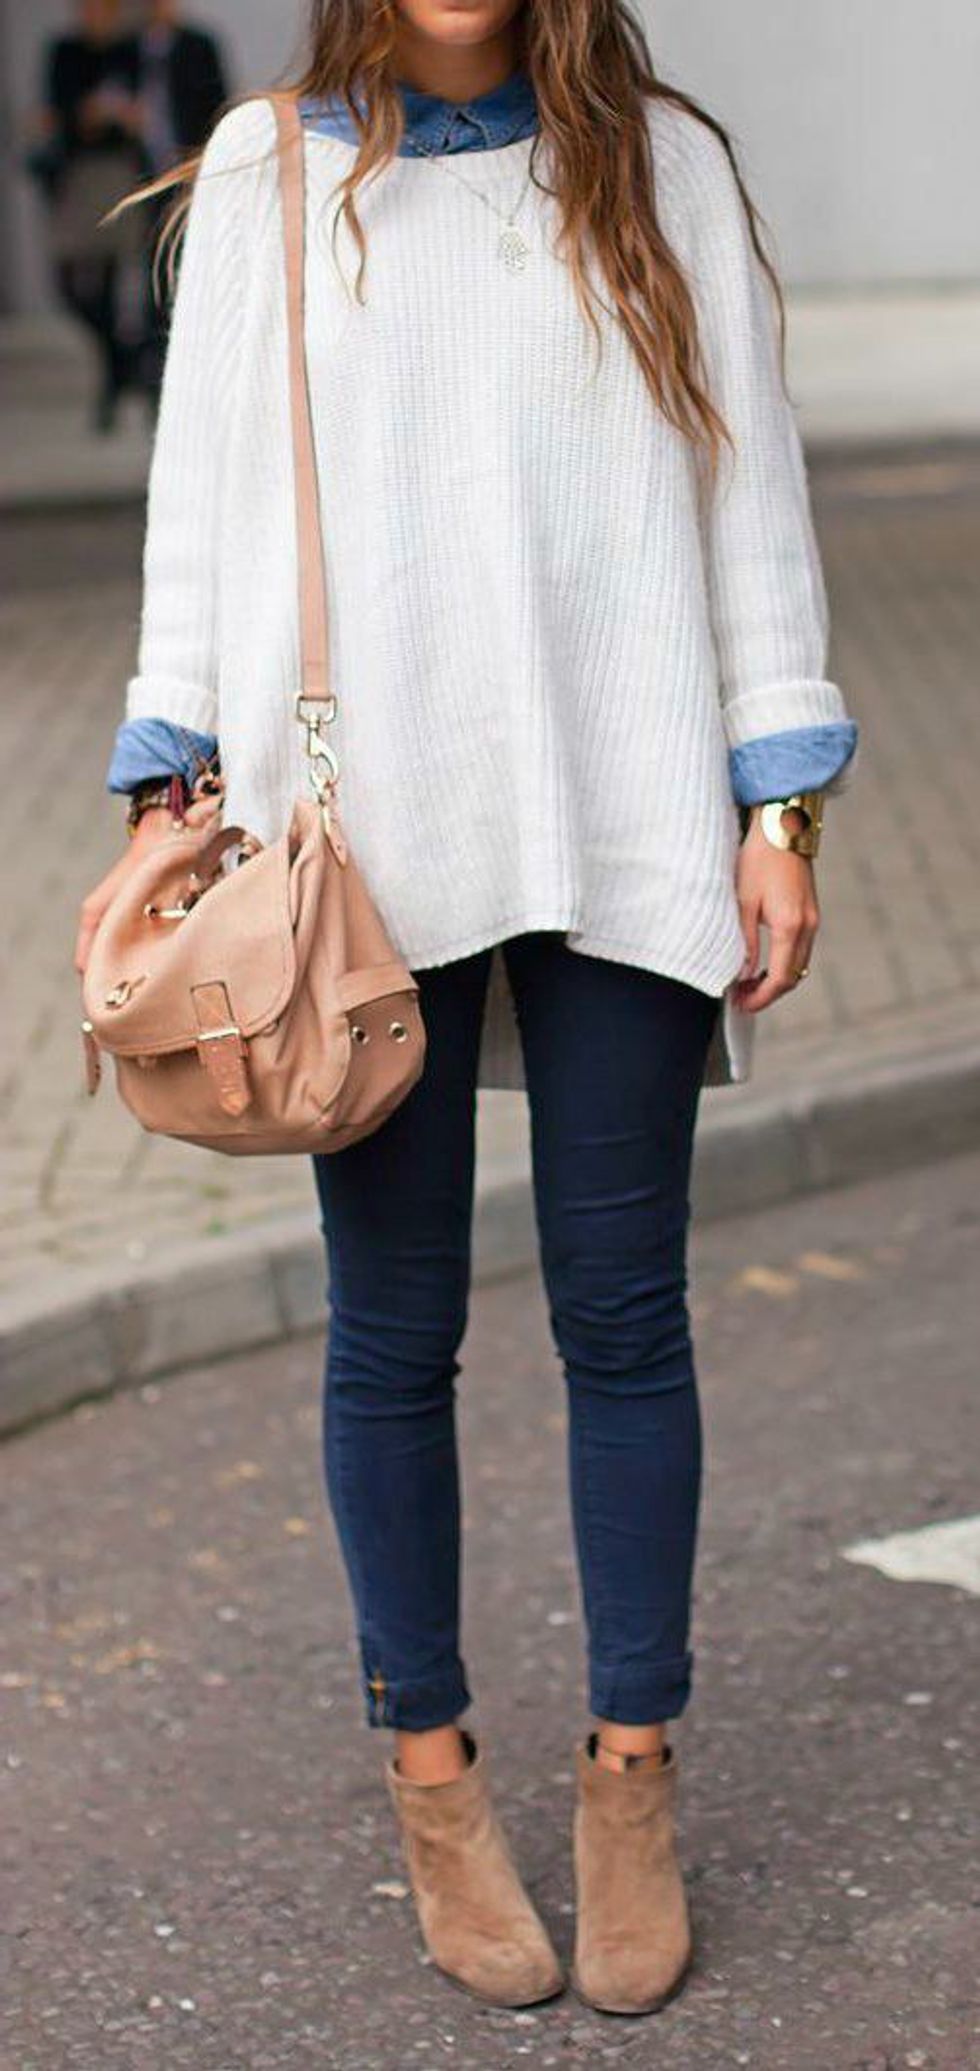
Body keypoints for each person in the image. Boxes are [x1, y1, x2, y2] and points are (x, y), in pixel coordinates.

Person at [76, 0, 859, 2018]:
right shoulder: (268, 175)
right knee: (393, 1329)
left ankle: (630, 1778)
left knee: (626, 1314)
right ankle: (432, 1783)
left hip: (627, 809)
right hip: (361, 845)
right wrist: (173, 771)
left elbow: (749, 497)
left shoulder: (661, 163)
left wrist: (779, 803)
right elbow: (201, 502)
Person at [32, 0, 147, 430]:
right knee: (68, 278)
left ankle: (111, 386)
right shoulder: (65, 51)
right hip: (76, 176)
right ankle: (123, 360)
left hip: (116, 172)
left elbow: (139, 117)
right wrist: (88, 114)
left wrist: (116, 116)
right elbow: (54, 113)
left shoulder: (130, 51)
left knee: (112, 279)